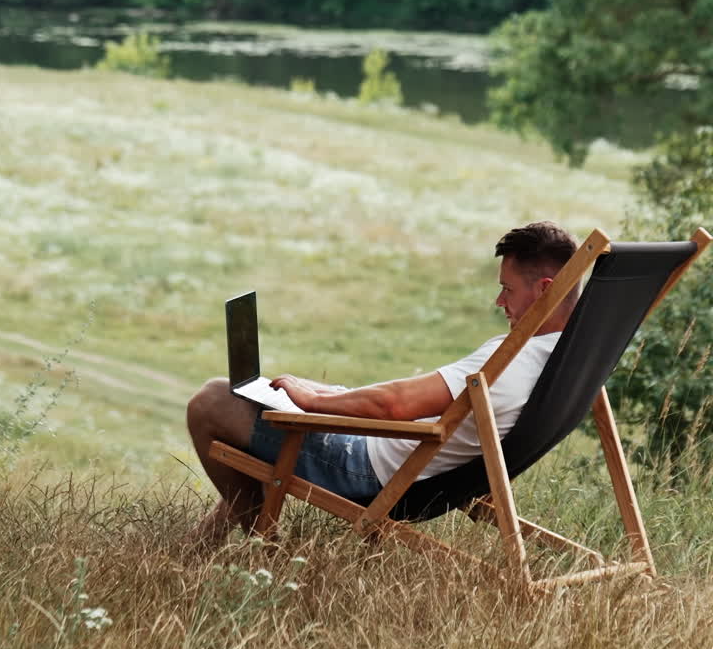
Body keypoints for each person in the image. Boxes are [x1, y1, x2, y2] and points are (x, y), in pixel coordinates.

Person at [186, 220, 579, 548]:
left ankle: (264, 549)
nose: (499, 302)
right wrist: (328, 394)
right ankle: (199, 548)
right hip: (409, 458)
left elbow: (394, 406)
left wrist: (312, 403)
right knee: (261, 407)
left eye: (507, 289)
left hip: (370, 470)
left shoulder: (513, 362)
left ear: (545, 289)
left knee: (213, 400)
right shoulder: (569, 354)